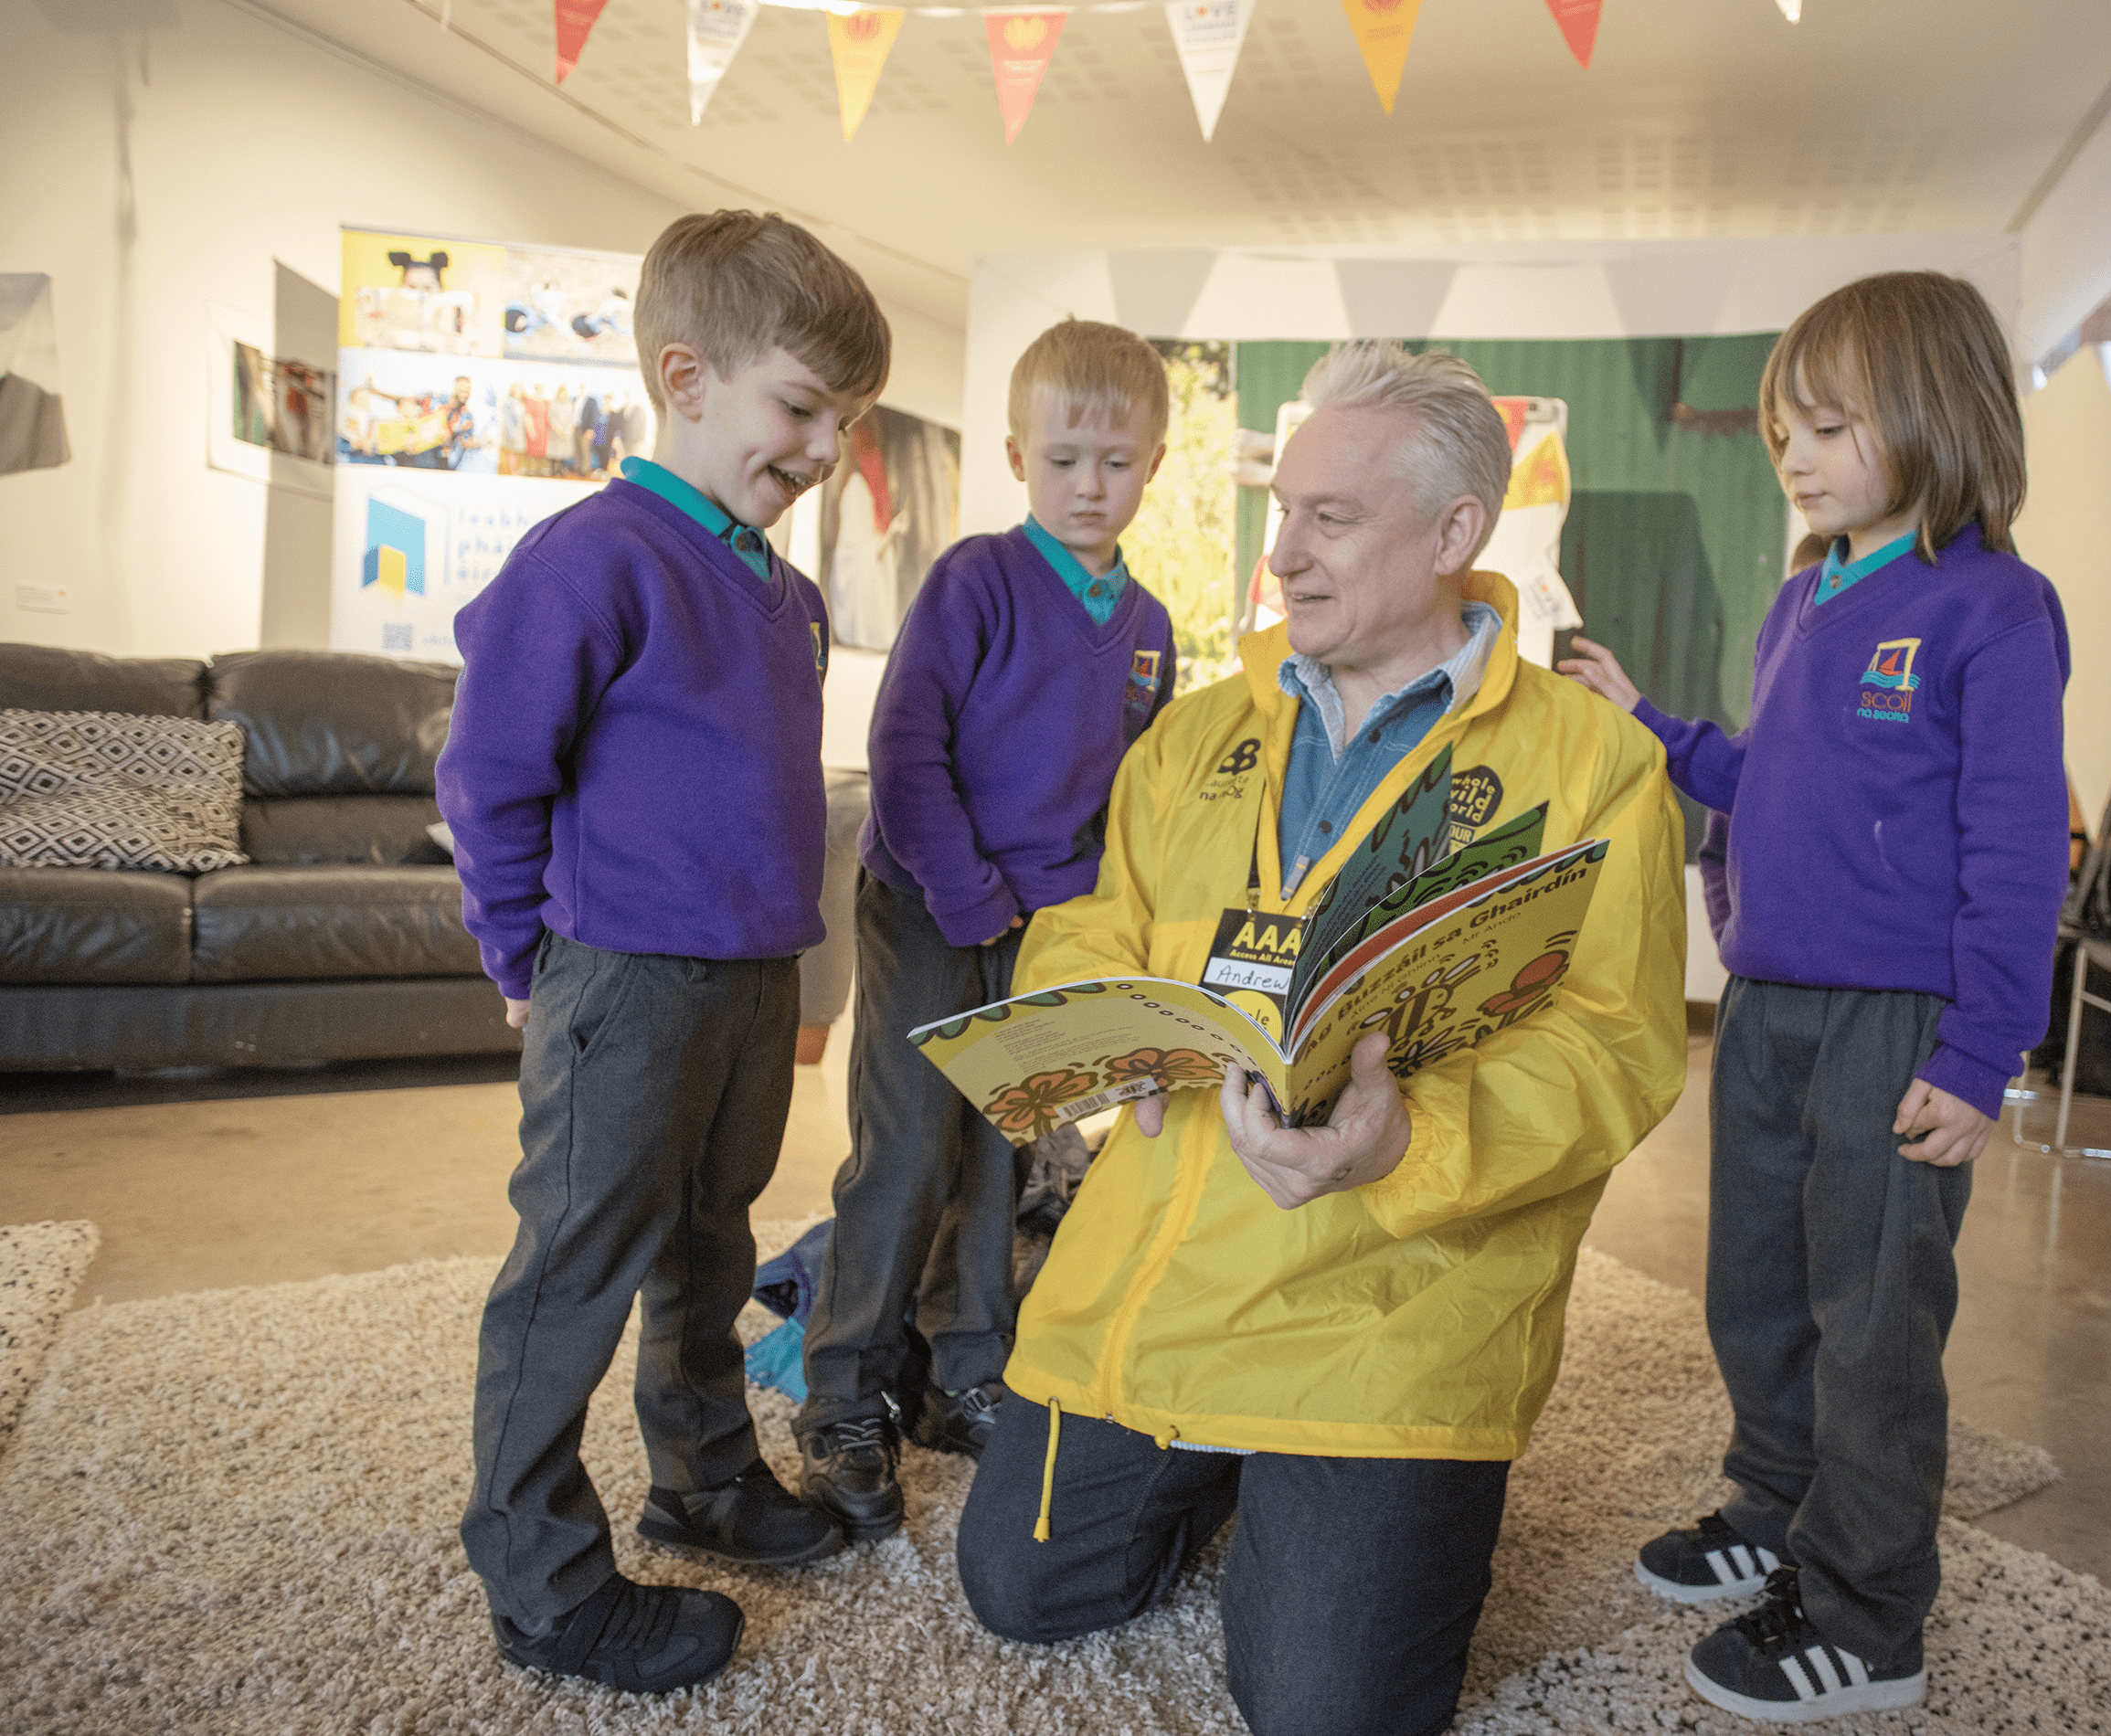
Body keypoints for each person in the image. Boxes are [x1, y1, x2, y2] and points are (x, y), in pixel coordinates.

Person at [954, 340, 1688, 1736]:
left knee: (1327, 1711)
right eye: (1284, 510)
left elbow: (1617, 1045)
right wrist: (1104, 1032)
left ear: (1457, 533)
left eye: (1330, 520)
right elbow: (1097, 923)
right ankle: (1249, 1479)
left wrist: (1413, 1133)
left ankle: (1327, 1495)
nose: (1281, 554)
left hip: (1390, 1307)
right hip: (1164, 1269)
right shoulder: (1192, 735)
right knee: (1021, 1588)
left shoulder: (1599, 768)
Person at [1558, 270, 2070, 1722]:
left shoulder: (1994, 608)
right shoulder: (1803, 598)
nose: (1796, 452)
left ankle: (1867, 1612)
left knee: (1874, 1318)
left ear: (1938, 417)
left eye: (1833, 425)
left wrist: (1982, 1054)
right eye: (1788, 426)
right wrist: (1649, 728)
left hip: (1900, 1025)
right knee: (1759, 1290)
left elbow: (2022, 847)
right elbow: (1759, 782)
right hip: (1771, 1006)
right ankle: (1775, 1505)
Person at [435, 208, 891, 1697]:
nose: (826, 446)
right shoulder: (591, 559)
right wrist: (520, 953)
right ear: (687, 379)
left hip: (754, 980)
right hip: (621, 979)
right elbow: (489, 774)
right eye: (803, 407)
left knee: (711, 1242)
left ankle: (701, 1479)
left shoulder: (785, 588)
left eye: (846, 420)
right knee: (576, 1264)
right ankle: (540, 1572)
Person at [794, 319, 1179, 1542]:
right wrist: (968, 896)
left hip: (1042, 930)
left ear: (1153, 465)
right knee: (907, 1151)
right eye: (1065, 459)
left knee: (1004, 1150)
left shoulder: (1152, 626)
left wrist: (1092, 926)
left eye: (1116, 463)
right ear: (1018, 456)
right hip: (927, 898)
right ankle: (845, 1398)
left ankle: (967, 1370)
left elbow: (1122, 795)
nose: (1089, 485)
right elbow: (905, 751)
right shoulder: (975, 579)